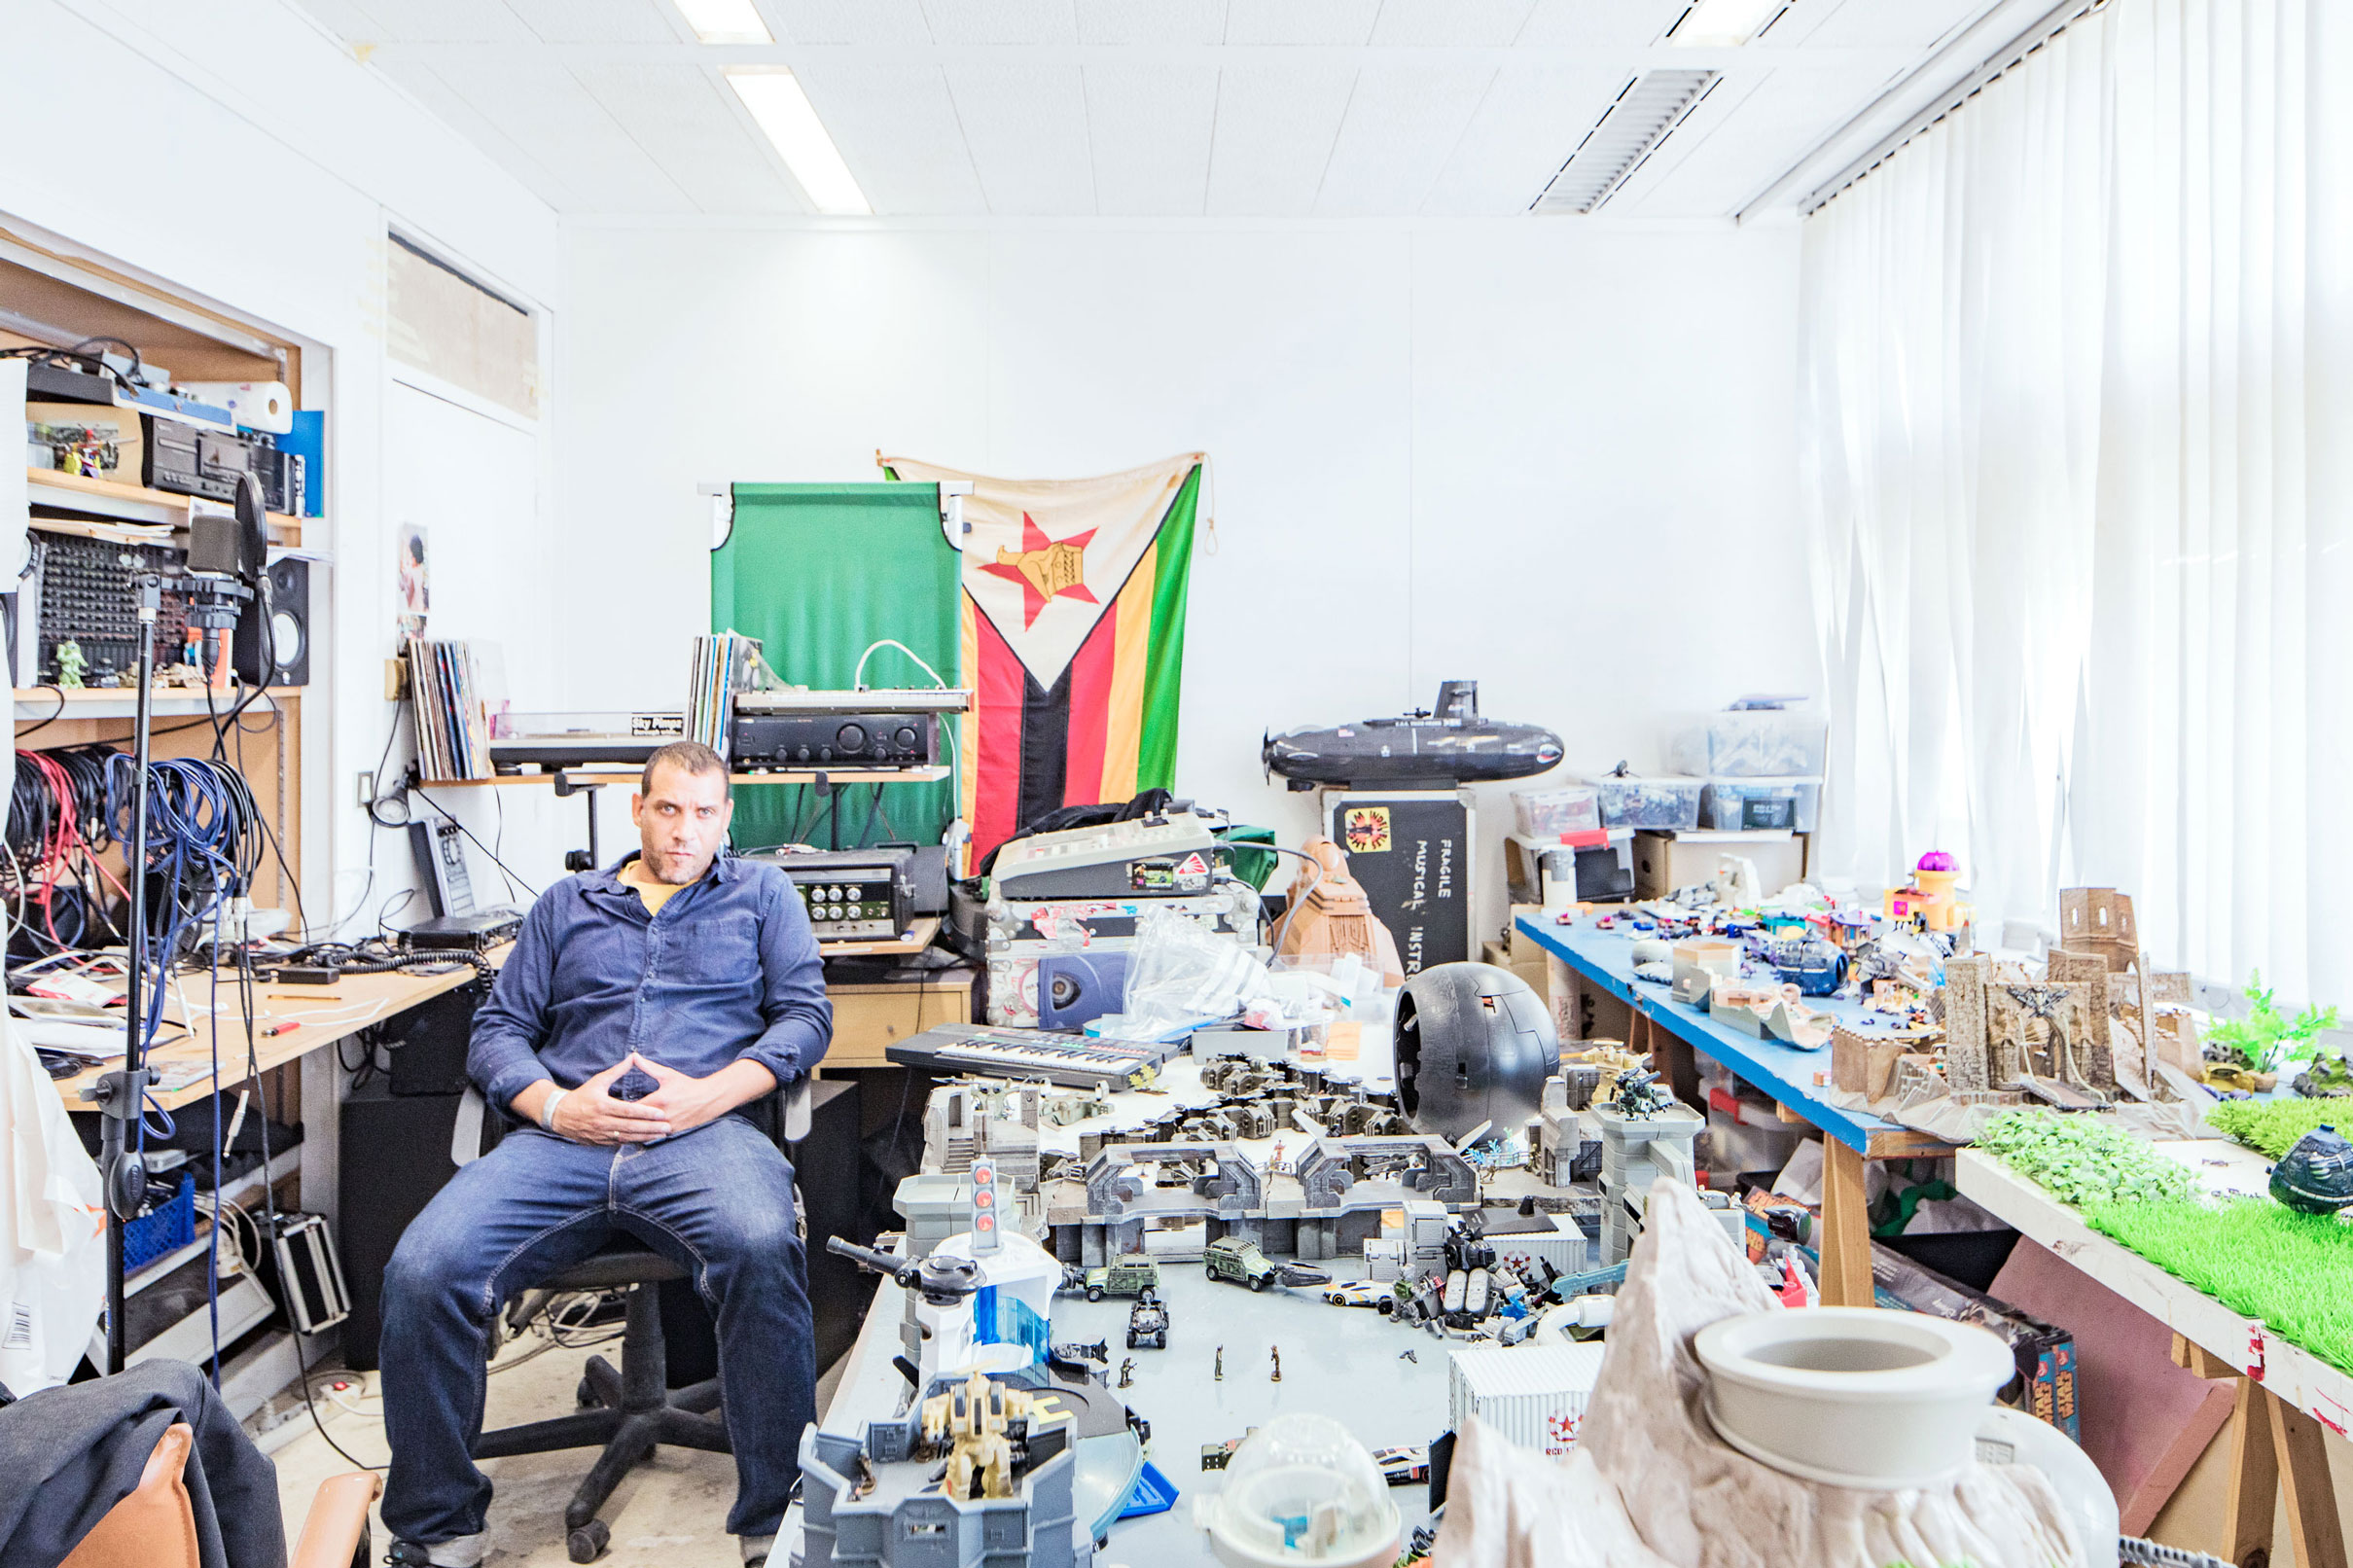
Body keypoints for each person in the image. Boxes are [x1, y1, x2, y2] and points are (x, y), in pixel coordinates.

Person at [378, 741, 831, 1568]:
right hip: (562, 1142)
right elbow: (498, 1032)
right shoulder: (566, 904)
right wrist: (558, 1106)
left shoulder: (763, 896)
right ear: (638, 809)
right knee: (423, 1269)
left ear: (726, 819)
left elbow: (804, 1019)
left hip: (702, 1137)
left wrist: (708, 1096)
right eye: (668, 809)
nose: (684, 830)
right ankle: (441, 1526)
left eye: (703, 813)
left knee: (762, 1249)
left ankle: (777, 1522)